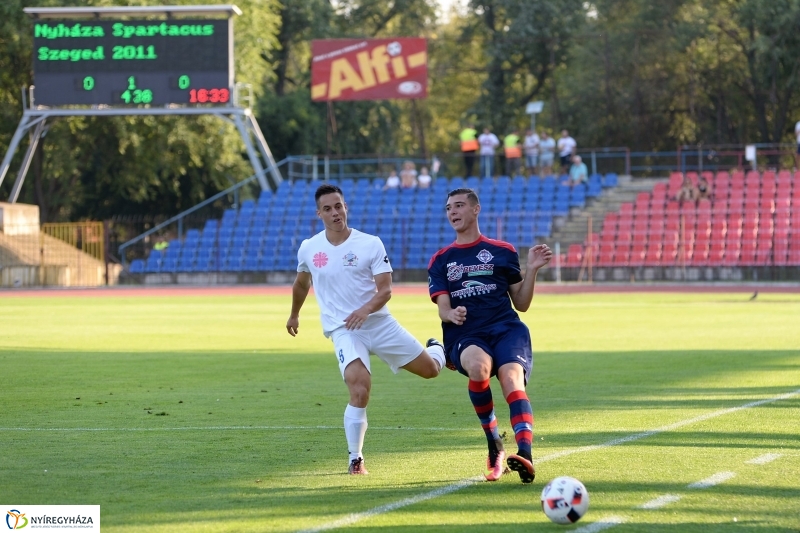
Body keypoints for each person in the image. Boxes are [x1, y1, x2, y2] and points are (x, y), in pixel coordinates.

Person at [287, 184, 447, 475]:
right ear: (318, 213)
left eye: (339, 206)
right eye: (328, 208)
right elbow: (301, 283)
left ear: (346, 207)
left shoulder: (370, 243)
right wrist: (294, 315)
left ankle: (438, 349)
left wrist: (364, 310)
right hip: (344, 329)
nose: (335, 212)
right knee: (359, 386)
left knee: (431, 370)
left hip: (379, 323)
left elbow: (385, 291)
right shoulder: (309, 248)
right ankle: (355, 458)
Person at [427, 188, 553, 484]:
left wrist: (531, 270)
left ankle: (525, 454)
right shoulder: (442, 259)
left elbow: (521, 303)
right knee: (480, 367)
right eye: (448, 208)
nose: (453, 212)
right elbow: (443, 308)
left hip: (507, 329)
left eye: (458, 206)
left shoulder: (502, 251)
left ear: (476, 209)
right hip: (466, 332)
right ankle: (494, 443)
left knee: (511, 378)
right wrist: (450, 315)